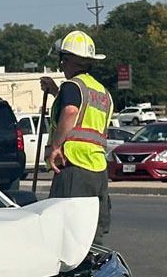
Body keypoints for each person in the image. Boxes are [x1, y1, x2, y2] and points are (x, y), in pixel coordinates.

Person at [40, 29, 113, 240]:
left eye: (62, 60)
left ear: (68, 60)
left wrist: (56, 146)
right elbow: (83, 111)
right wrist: (56, 92)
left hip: (74, 166)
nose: (61, 65)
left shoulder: (72, 86)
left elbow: (71, 111)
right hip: (98, 170)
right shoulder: (101, 91)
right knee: (91, 234)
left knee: (67, 231)